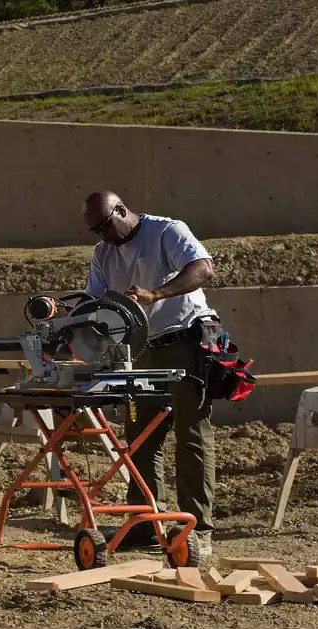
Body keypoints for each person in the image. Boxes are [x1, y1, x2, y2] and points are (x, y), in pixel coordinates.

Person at [81, 190, 223, 557]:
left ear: (121, 210)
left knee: (190, 434)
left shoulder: (165, 232)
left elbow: (204, 268)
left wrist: (156, 293)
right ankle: (146, 522)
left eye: (104, 226)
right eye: (95, 231)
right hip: (145, 347)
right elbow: (93, 303)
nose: (102, 235)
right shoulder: (103, 253)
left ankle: (197, 529)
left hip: (187, 337)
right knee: (142, 438)